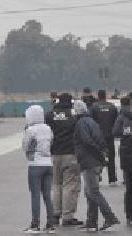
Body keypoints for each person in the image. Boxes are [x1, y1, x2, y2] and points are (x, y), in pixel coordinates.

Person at [73, 98, 120, 232]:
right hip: (95, 161)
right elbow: (99, 139)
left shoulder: (81, 123)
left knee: (93, 192)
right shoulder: (91, 121)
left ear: (76, 111)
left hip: (89, 161)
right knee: (89, 192)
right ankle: (91, 222)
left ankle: (109, 217)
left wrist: (98, 156)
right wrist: (102, 155)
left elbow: (87, 141)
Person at [45, 94, 82, 227]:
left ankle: (55, 214)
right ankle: (68, 216)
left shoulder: (49, 114)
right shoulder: (74, 115)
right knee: (70, 185)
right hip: (70, 153)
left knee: (56, 184)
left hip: (54, 154)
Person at [22, 105, 55, 233]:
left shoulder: (30, 130)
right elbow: (52, 143)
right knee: (47, 195)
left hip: (35, 164)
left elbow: (25, 146)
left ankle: (35, 224)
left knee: (35, 195)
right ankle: (51, 223)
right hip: (48, 164)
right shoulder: (48, 128)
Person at [90, 90, 120, 185]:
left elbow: (91, 122)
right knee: (111, 157)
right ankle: (112, 179)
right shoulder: (112, 107)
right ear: (105, 96)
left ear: (98, 96)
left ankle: (97, 176)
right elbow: (116, 121)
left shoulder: (94, 107)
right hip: (109, 135)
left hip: (97, 136)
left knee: (97, 156)